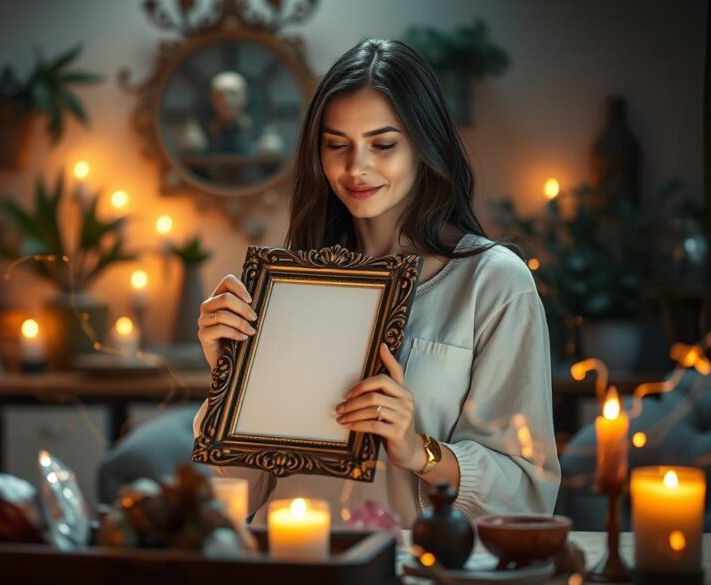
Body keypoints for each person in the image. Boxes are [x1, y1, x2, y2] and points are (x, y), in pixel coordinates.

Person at [192, 38, 561, 528]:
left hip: (414, 568)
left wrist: (418, 450)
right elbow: (241, 492)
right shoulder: (288, 285)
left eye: (383, 144)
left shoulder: (492, 283)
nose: (355, 167)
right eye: (336, 144)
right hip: (284, 561)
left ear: (425, 145)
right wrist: (227, 381)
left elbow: (528, 494)